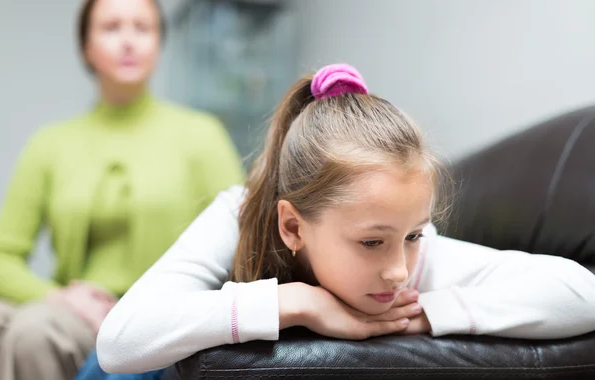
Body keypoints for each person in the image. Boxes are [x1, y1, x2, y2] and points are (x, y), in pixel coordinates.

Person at [96, 63, 595, 374]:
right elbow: (119, 345)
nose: (400, 269)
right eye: (371, 243)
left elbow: (583, 295)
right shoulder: (237, 213)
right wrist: (296, 303)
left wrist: (424, 315)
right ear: (292, 226)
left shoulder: (414, 264)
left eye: (414, 235)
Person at [0, 0, 244, 379]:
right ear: (86, 48)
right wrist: (61, 298)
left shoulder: (201, 136)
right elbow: (1, 257)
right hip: (78, 314)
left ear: (159, 44)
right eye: (111, 28)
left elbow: (246, 242)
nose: (128, 42)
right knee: (28, 322)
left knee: (33, 331)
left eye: (143, 29)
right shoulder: (50, 144)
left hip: (165, 313)